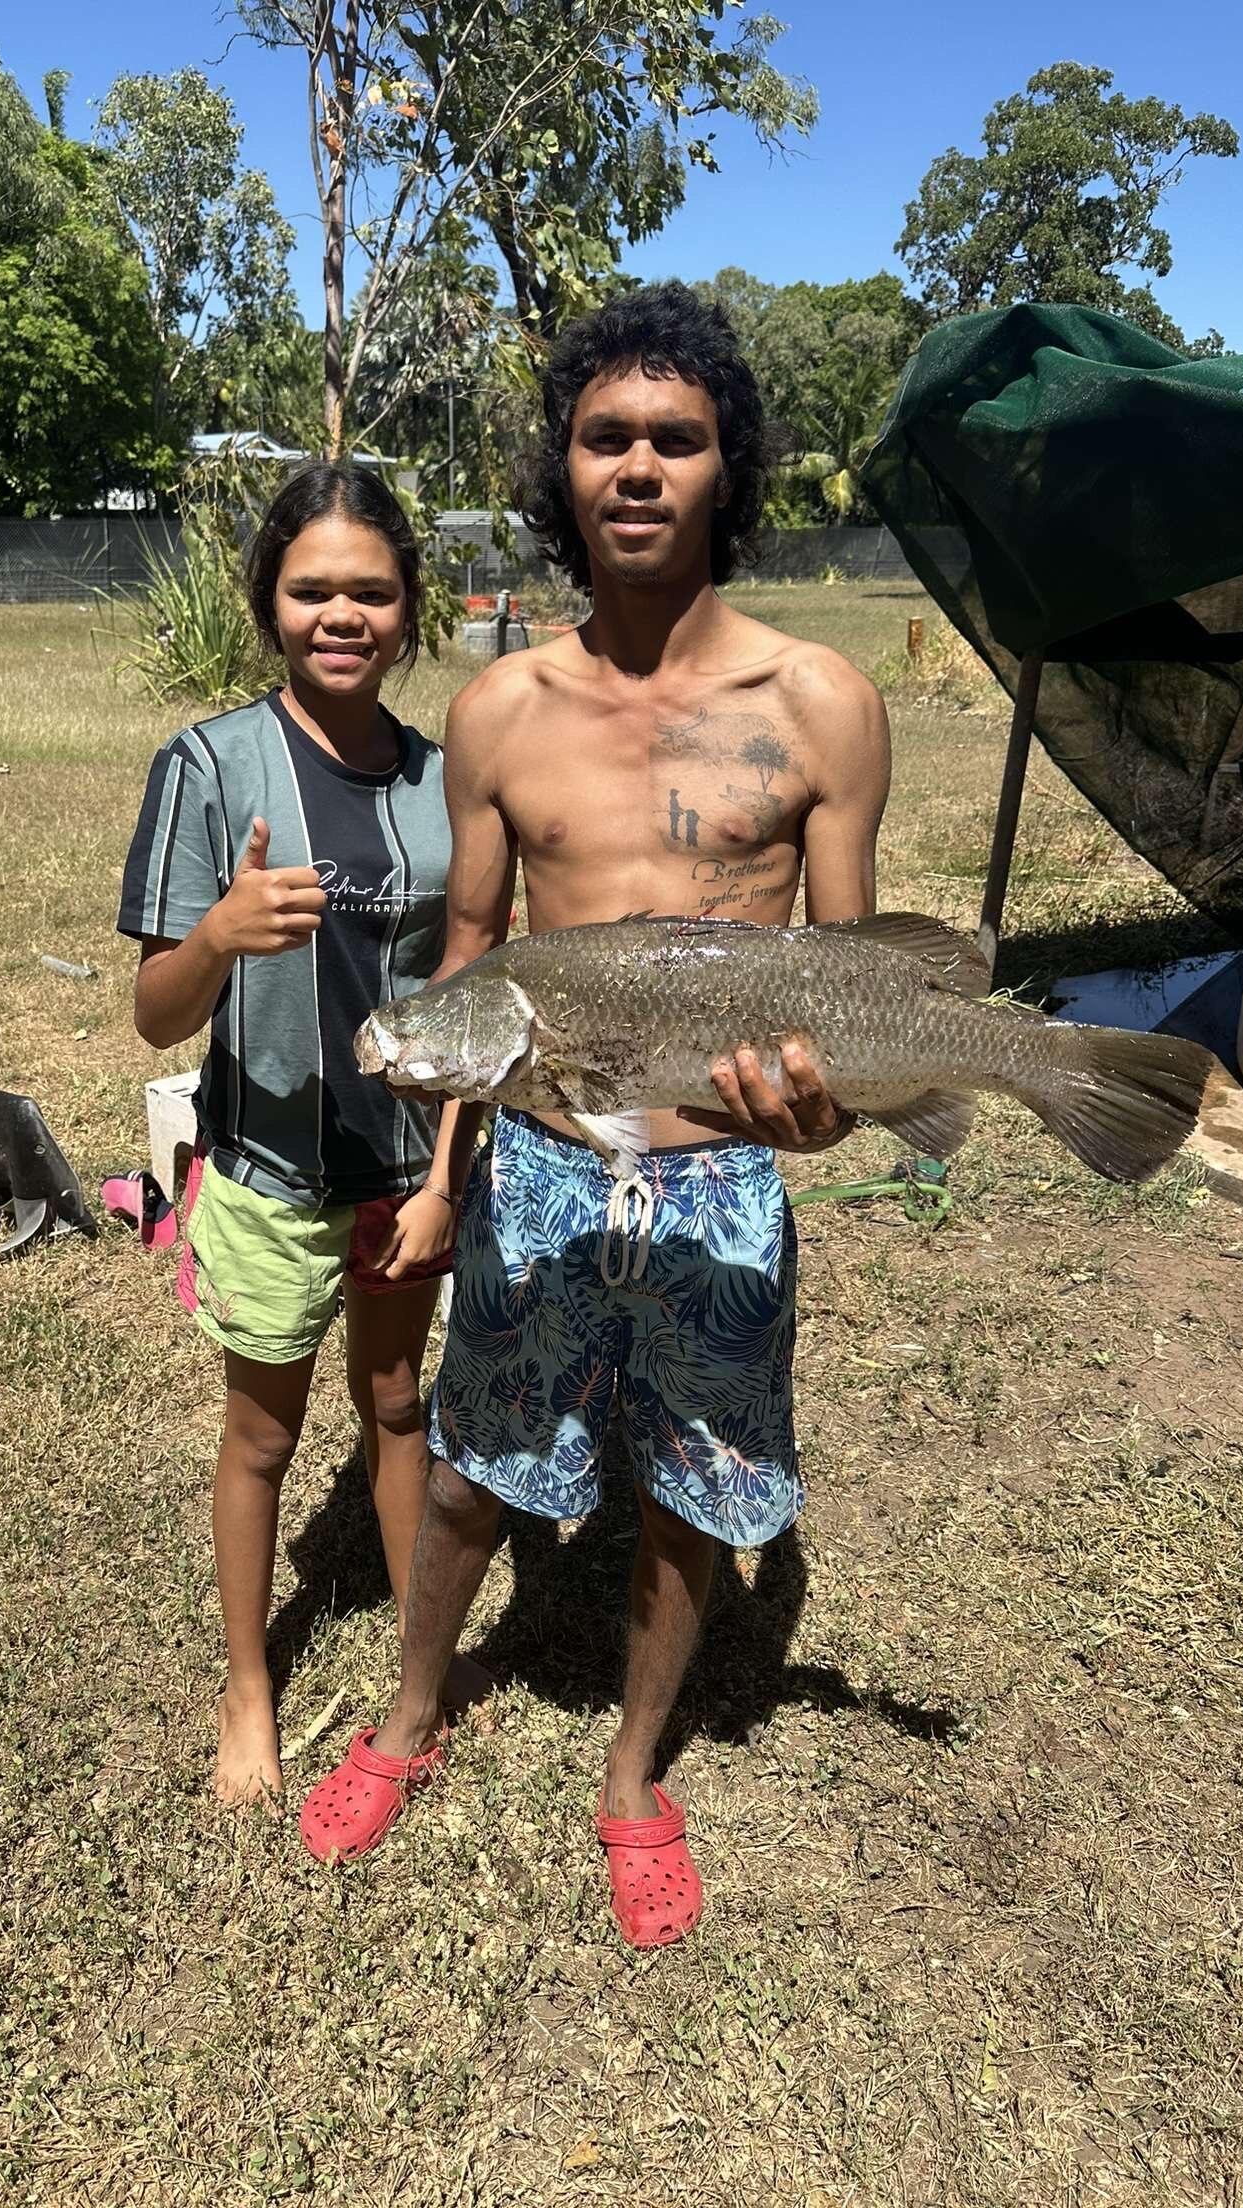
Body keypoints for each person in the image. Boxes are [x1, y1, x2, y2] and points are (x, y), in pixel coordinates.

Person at [299, 282, 892, 1946]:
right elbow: (473, 958)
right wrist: (438, 1182)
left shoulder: (823, 702)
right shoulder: (501, 712)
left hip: (719, 1185)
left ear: (729, 468)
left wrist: (825, 1119)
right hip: (544, 1172)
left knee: (697, 1492)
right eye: (605, 437)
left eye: (676, 440)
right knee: (478, 1467)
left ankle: (635, 1778)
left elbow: (845, 980)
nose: (639, 467)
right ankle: (413, 1719)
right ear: (562, 468)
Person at [117, 463, 465, 1808]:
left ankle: (415, 1671)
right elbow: (156, 1017)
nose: (342, 614)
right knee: (262, 1438)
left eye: (370, 590)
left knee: (396, 1406)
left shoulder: (446, 785)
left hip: (406, 1178)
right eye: (311, 587)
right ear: (269, 603)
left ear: (408, 609)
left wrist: (446, 1175)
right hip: (268, 1173)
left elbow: (475, 1001)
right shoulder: (208, 767)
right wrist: (219, 932)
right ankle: (248, 1687)